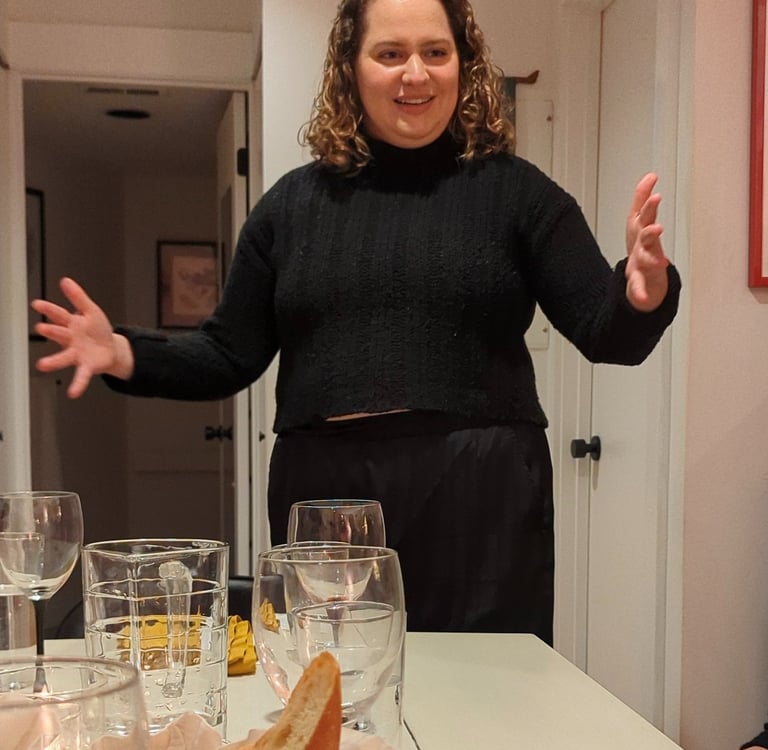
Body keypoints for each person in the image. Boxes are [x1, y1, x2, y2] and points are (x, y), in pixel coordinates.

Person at [31, 0, 681, 643]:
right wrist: (124, 353)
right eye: (390, 53)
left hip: (482, 492)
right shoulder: (289, 207)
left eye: (435, 52)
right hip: (324, 498)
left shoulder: (521, 194)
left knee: (490, 686)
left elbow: (606, 331)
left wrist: (645, 290)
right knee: (332, 682)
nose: (415, 74)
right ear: (351, 66)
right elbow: (228, 353)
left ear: (464, 63)